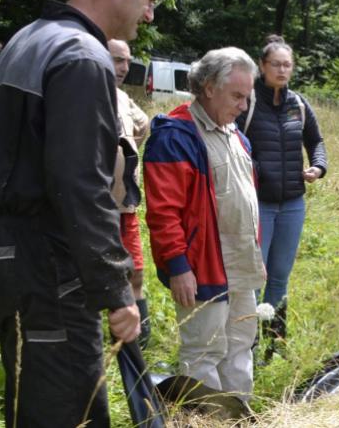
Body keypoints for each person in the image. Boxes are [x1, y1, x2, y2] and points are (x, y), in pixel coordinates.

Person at [0, 0, 157, 427]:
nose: (149, 14)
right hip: (40, 258)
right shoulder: (81, 55)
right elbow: (81, 186)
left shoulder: (30, 36)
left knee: (33, 398)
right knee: (71, 409)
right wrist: (117, 291)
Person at [144, 46, 266, 403]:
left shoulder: (237, 136)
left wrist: (255, 258)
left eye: (248, 97)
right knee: (203, 354)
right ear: (209, 87)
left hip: (240, 266)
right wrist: (178, 266)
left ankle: (238, 419)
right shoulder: (175, 136)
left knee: (241, 347)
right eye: (237, 96)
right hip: (201, 269)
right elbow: (163, 213)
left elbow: (245, 206)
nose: (244, 106)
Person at [236, 34, 327, 358]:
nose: (282, 69)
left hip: (292, 205)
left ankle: (274, 345)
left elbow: (316, 142)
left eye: (287, 64)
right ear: (262, 66)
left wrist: (318, 166)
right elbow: (232, 143)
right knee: (255, 276)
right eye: (276, 64)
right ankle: (248, 344)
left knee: (280, 276)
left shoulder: (299, 105)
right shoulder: (247, 103)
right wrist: (255, 168)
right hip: (258, 203)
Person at [109, 38, 152, 348]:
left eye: (126, 61)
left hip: (126, 205)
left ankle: (138, 340)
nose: (123, 67)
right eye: (116, 60)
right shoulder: (82, 93)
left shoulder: (124, 98)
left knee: (135, 271)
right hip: (96, 209)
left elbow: (143, 124)